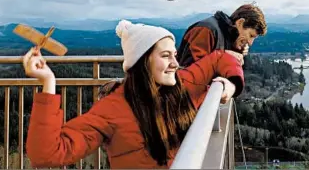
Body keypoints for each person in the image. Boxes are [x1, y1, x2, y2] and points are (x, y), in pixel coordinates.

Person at [24, 20, 244, 169]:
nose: (175, 64)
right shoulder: (112, 109)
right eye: (166, 56)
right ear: (143, 61)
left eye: (174, 55)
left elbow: (220, 58)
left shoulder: (183, 83)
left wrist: (230, 85)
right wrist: (48, 82)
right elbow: (46, 154)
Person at [176, 4, 267, 97]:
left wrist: (237, 51)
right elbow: (189, 73)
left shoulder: (226, 36)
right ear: (240, 22)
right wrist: (224, 56)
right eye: (251, 35)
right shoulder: (206, 30)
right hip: (183, 101)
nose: (250, 43)